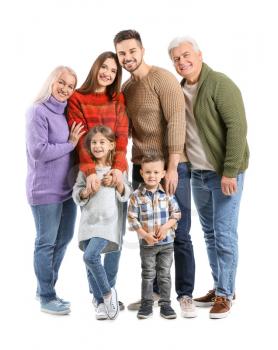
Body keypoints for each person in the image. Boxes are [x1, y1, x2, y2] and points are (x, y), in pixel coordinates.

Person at [114, 29, 196, 318]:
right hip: (141, 168)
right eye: (122, 53)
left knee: (179, 233)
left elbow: (176, 121)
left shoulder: (162, 79)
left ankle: (184, 295)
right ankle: (154, 294)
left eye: (131, 51)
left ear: (142, 49)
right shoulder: (126, 89)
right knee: (147, 235)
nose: (127, 58)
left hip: (172, 167)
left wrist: (172, 167)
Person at [168, 36, 249, 319]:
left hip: (223, 173)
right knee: (211, 234)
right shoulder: (179, 90)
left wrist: (229, 171)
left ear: (199, 55)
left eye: (186, 55)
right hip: (198, 174)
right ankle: (220, 287)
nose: (182, 62)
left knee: (225, 235)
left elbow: (238, 128)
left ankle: (226, 295)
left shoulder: (219, 83)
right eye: (176, 58)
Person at [67, 51, 129, 311]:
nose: (107, 73)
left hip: (115, 171)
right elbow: (81, 138)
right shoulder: (77, 98)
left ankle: (109, 292)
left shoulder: (117, 99)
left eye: (113, 71)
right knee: (94, 232)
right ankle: (99, 295)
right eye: (104, 67)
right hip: (89, 170)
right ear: (96, 68)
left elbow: (123, 138)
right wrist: (91, 171)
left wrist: (117, 170)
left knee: (115, 235)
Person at [26, 66, 85, 315]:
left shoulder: (65, 113)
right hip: (44, 190)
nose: (65, 89)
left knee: (64, 239)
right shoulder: (37, 112)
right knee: (46, 243)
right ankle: (47, 297)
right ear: (52, 81)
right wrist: (70, 144)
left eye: (70, 86)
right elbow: (39, 151)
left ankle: (45, 288)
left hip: (66, 190)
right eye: (61, 82)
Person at [72, 125, 131, 320]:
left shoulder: (117, 171)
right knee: (90, 262)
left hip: (108, 224)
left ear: (112, 145)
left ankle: (107, 294)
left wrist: (119, 184)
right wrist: (86, 191)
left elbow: (126, 194)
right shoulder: (86, 171)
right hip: (88, 223)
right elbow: (77, 192)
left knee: (90, 257)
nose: (97, 146)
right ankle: (98, 302)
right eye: (94, 143)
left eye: (102, 142)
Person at [128, 154, 181, 319]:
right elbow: (132, 218)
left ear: (163, 174)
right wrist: (145, 235)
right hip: (147, 245)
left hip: (167, 243)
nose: (152, 176)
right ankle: (146, 305)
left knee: (164, 274)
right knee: (148, 274)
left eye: (156, 172)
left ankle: (166, 304)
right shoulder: (136, 196)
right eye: (148, 172)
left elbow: (177, 214)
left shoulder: (168, 195)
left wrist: (165, 228)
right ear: (142, 173)